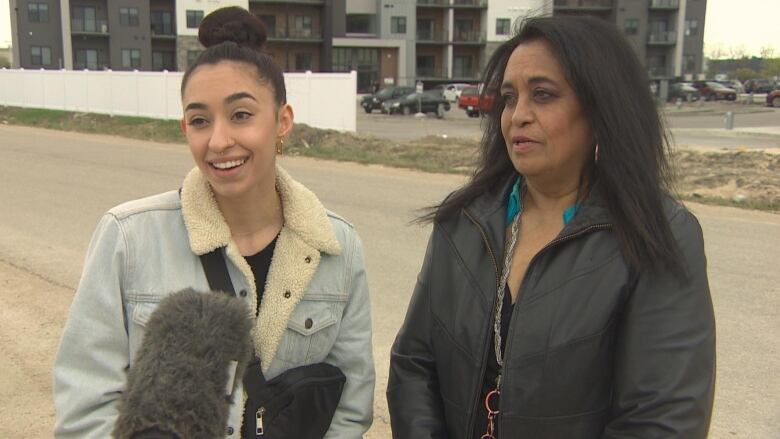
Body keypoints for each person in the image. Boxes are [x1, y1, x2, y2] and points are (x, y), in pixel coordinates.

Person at [387, 15, 715, 439]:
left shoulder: (659, 235)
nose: (517, 115)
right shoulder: (463, 221)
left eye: (542, 95)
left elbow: (663, 419)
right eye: (508, 98)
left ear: (600, 109)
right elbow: (415, 364)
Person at [53, 7, 374, 438]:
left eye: (241, 115)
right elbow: (85, 407)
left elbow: (350, 407)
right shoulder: (128, 237)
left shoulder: (338, 246)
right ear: (185, 127)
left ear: (282, 122)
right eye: (201, 121)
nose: (219, 141)